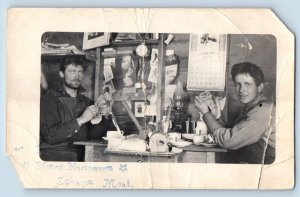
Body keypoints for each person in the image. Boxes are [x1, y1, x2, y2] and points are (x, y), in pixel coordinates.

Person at [195, 62, 275, 164]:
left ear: (260, 87)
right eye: (238, 85)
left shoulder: (262, 110)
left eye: (247, 84)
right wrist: (218, 117)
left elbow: (228, 141)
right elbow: (235, 134)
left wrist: (206, 113)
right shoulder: (252, 105)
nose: (241, 90)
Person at [40, 56, 114, 161]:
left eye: (80, 72)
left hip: (82, 153)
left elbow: (94, 136)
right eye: (72, 71)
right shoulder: (49, 99)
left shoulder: (85, 101)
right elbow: (50, 136)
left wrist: (104, 114)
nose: (76, 76)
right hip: (56, 154)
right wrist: (81, 119)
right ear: (61, 74)